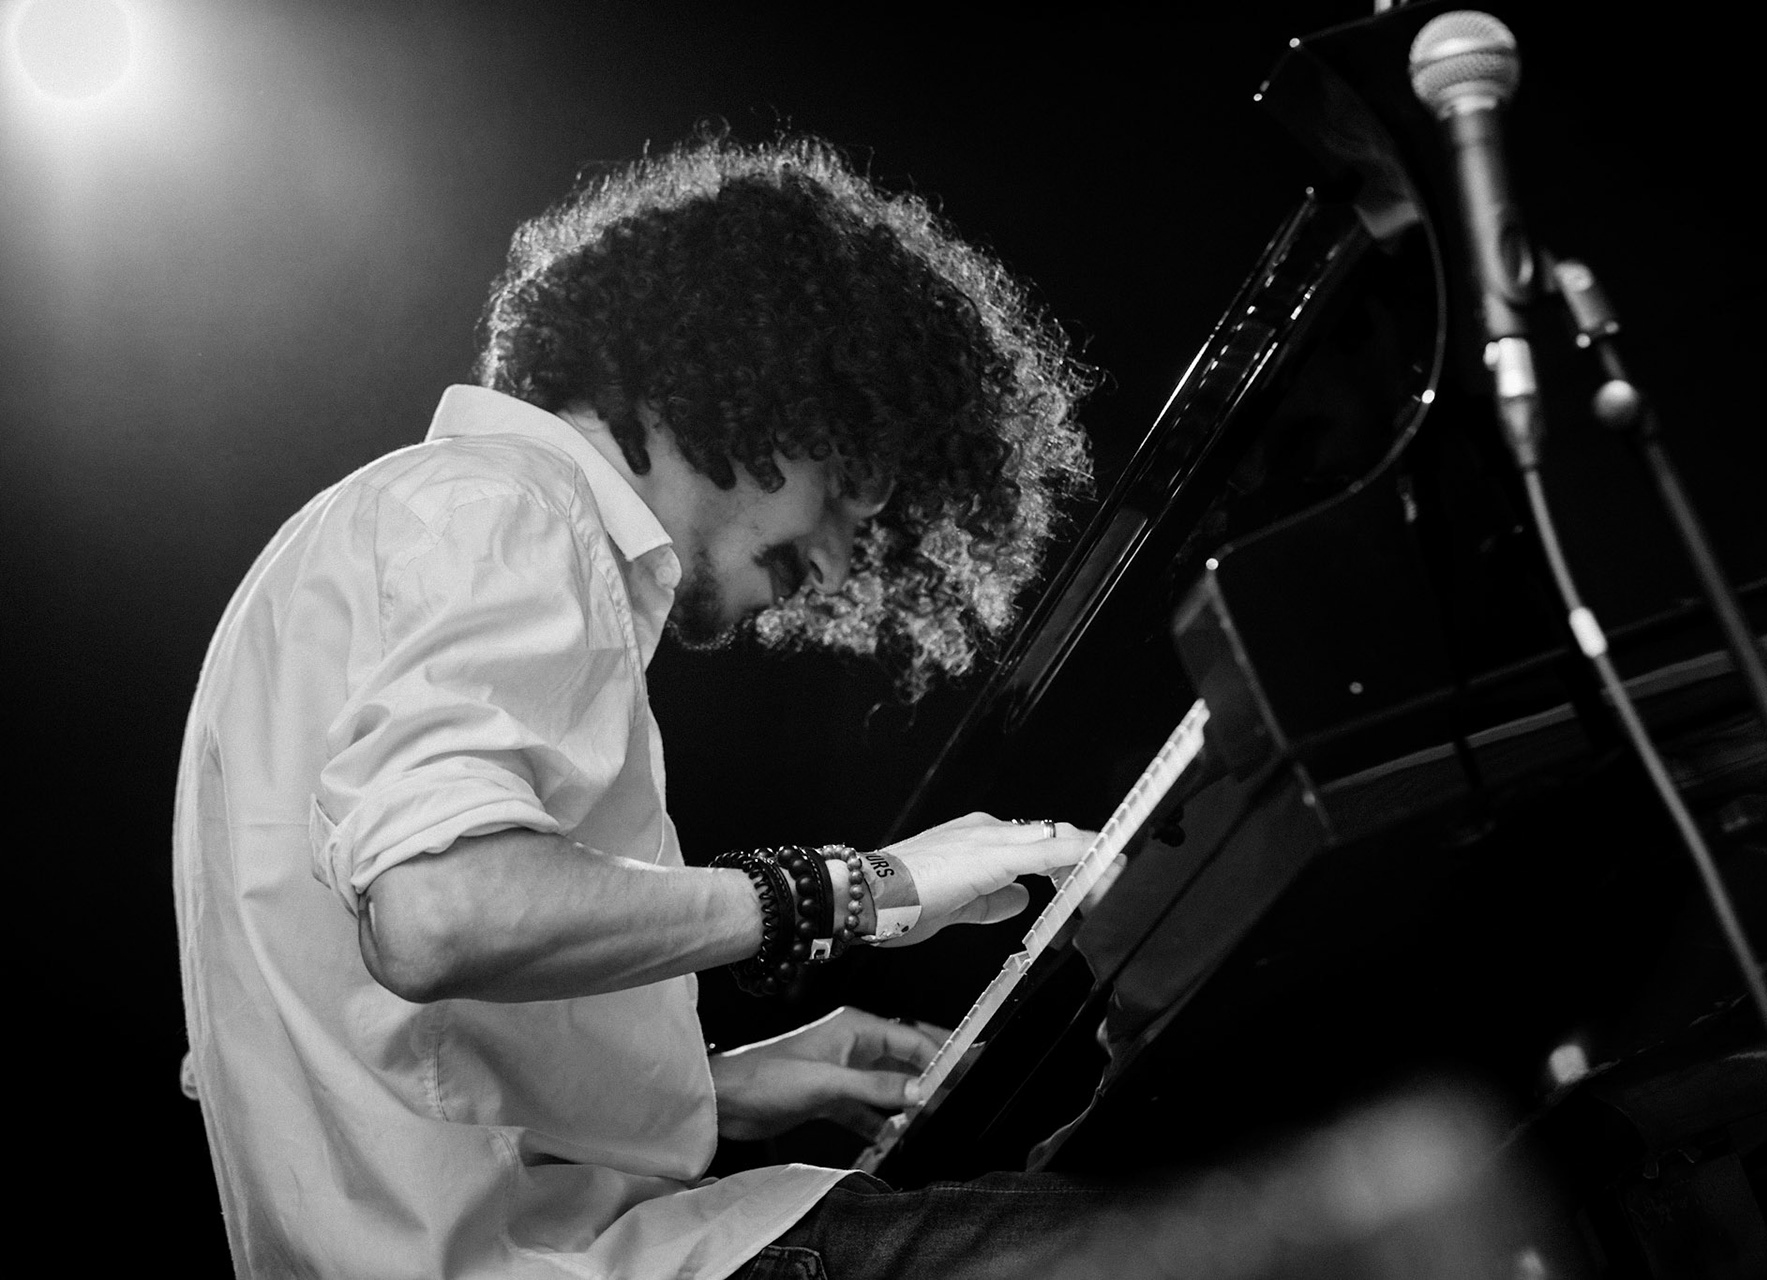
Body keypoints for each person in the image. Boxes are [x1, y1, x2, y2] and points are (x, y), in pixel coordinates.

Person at [172, 135, 1115, 1279]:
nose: (843, 559)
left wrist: (712, 1087)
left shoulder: (401, 526)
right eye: (858, 484)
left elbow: (398, 1048)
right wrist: (865, 887)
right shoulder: (500, 508)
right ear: (768, 373)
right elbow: (438, 912)